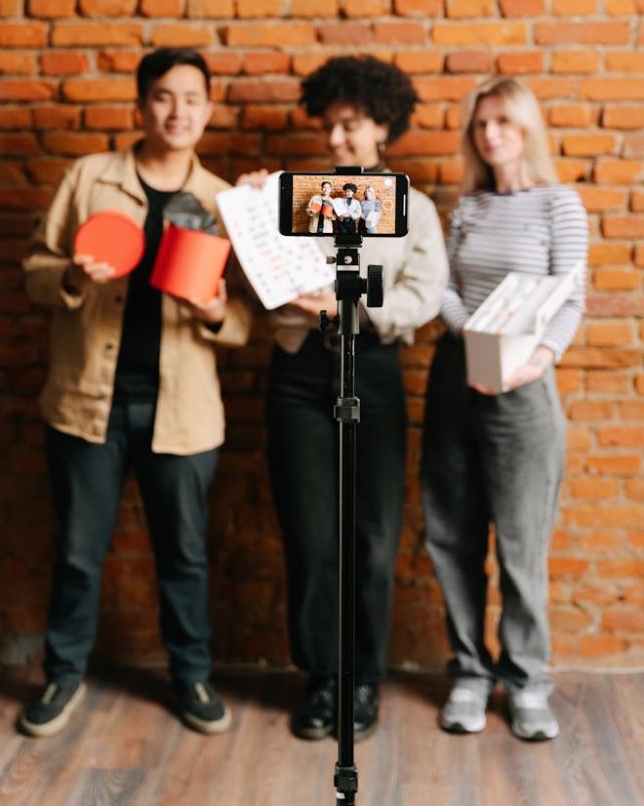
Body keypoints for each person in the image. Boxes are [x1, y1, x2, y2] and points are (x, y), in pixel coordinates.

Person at [19, 48, 250, 738]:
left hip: (183, 413)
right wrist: (72, 279)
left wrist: (214, 311)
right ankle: (62, 677)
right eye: (162, 97)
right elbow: (34, 268)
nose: (176, 111)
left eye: (191, 98)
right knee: (77, 553)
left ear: (208, 109)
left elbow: (244, 318)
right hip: (87, 404)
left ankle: (191, 675)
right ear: (140, 106)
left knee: (183, 556)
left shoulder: (223, 202)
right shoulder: (89, 179)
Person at [240, 54, 448, 741]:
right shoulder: (296, 195)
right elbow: (256, 266)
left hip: (374, 373)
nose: (334, 141)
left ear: (381, 126)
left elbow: (421, 300)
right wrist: (245, 206)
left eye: (349, 127)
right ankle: (322, 678)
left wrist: (349, 300)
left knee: (372, 537)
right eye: (327, 127)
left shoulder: (411, 209)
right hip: (300, 374)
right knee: (311, 535)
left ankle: (363, 680)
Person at [421, 76, 588, 742]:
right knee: (450, 537)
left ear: (525, 129)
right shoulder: (464, 210)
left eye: (502, 122)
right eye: (480, 124)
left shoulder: (559, 205)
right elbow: (444, 292)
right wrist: (477, 341)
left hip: (523, 390)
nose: (490, 134)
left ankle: (525, 680)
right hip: (454, 382)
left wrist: (530, 361)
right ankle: (469, 670)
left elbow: (569, 299)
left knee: (520, 547)